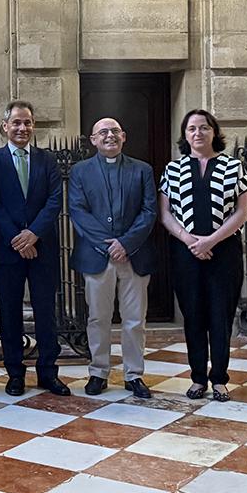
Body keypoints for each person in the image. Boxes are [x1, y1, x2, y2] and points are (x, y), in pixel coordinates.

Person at [159, 109, 247, 403]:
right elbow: (165, 213)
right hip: (186, 253)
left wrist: (210, 240)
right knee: (194, 316)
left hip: (223, 252)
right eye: (191, 129)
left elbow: (242, 212)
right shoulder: (173, 169)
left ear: (214, 132)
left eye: (203, 128)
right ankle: (198, 377)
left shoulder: (233, 166)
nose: (197, 133)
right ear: (185, 135)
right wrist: (190, 240)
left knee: (220, 316)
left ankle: (220, 380)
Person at [0, 101, 69, 396]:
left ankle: (48, 372)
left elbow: (55, 200)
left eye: (28, 123)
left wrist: (33, 234)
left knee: (46, 311)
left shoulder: (47, 160)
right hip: (8, 250)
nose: (22, 128)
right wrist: (18, 239)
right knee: (10, 313)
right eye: (16, 123)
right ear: (5, 126)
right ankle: (15, 373)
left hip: (42, 246)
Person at [68, 117, 157, 399]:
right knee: (98, 318)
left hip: (134, 256)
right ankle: (98, 371)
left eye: (115, 131)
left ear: (124, 136)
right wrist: (109, 245)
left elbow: (149, 211)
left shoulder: (142, 170)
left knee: (134, 320)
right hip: (97, 256)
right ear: (93, 139)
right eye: (103, 132)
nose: (110, 136)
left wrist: (125, 243)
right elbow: (78, 212)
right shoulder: (80, 171)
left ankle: (134, 375)